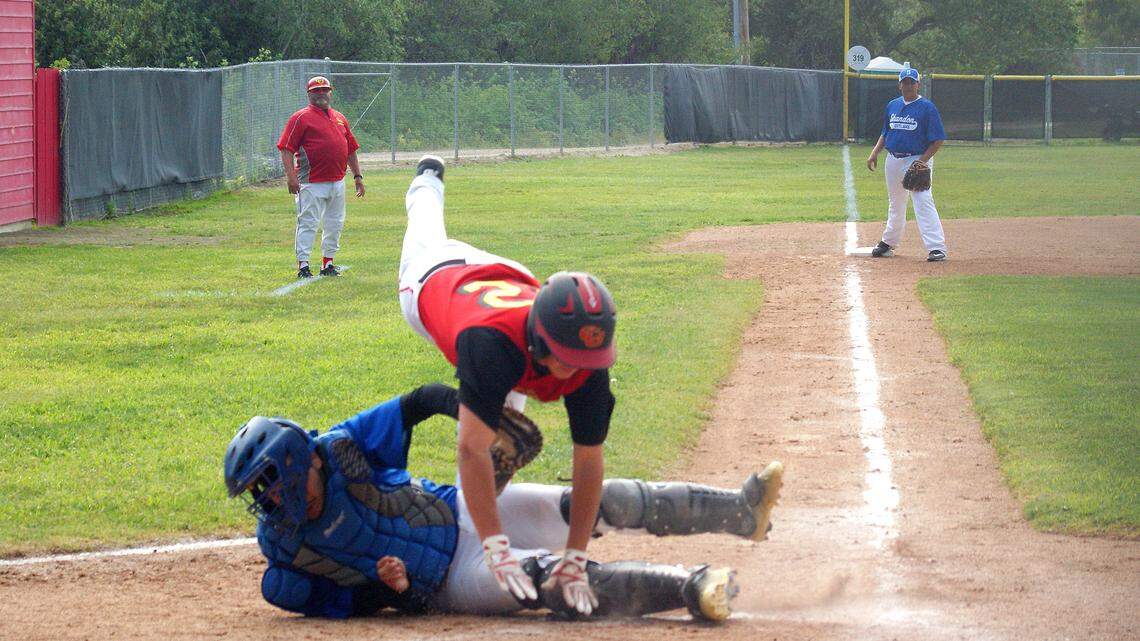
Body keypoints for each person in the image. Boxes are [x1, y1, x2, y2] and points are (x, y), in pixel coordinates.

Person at [223, 383, 785, 620]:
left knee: (589, 505)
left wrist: (478, 418)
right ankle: (692, 586)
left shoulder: (341, 447)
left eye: (268, 481)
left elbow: (420, 401)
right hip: (451, 580)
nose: (266, 499)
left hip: (462, 511)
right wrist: (382, 586)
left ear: (298, 461)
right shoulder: (287, 560)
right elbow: (346, 608)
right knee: (553, 578)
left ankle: (739, 511)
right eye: (258, 492)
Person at [397, 155, 646, 613]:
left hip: (501, 271)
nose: (576, 370)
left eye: (585, 360)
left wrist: (576, 555)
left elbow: (588, 458)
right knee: (424, 231)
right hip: (430, 279)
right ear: (541, 337)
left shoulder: (588, 358)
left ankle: (486, 516)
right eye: (567, 358)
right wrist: (494, 546)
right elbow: (469, 449)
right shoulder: (489, 346)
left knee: (500, 441)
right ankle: (426, 183)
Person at [277, 75, 366, 279]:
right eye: (316, 91)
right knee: (308, 222)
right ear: (309, 94)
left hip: (337, 180)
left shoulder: (339, 117)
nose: (321, 94)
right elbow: (286, 148)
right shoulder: (300, 117)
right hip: (311, 182)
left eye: (324, 90)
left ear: (330, 92)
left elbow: (350, 149)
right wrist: (291, 177)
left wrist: (358, 176)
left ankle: (328, 263)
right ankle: (303, 265)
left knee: (335, 223)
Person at [865, 64, 949, 262]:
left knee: (923, 201)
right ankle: (888, 243)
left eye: (912, 82)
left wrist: (921, 162)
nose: (908, 86)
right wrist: (874, 152)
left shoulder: (927, 108)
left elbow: (938, 140)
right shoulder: (892, 105)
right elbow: (886, 132)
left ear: (918, 85)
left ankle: (937, 247)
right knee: (896, 202)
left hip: (917, 158)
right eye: (905, 82)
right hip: (893, 159)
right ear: (899, 85)